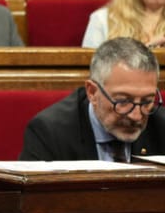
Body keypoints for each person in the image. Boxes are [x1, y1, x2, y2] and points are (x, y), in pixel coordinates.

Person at [20, 36, 165, 161]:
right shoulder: (50, 132)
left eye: (146, 101)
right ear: (92, 92)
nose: (136, 116)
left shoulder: (161, 126)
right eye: (123, 101)